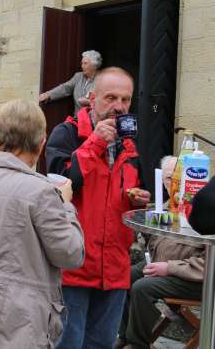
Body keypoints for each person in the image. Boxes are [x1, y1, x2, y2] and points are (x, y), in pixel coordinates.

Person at [0, 99, 85, 349]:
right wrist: (65, 205)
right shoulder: (43, 192)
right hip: (23, 324)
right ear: (42, 145)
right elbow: (71, 254)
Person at [46, 67, 151, 349]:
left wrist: (136, 199)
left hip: (115, 266)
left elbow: (120, 195)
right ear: (92, 99)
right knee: (67, 343)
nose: (119, 106)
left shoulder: (130, 144)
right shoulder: (65, 134)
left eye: (126, 100)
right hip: (73, 265)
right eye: (111, 97)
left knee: (102, 344)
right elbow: (60, 190)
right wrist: (94, 143)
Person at [117, 156, 204, 349]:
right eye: (168, 179)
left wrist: (170, 267)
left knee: (142, 287)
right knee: (123, 276)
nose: (174, 184)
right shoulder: (163, 211)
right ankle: (123, 337)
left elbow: (207, 265)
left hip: (194, 277)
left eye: (179, 179)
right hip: (162, 264)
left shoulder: (205, 211)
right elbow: (146, 241)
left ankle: (137, 344)